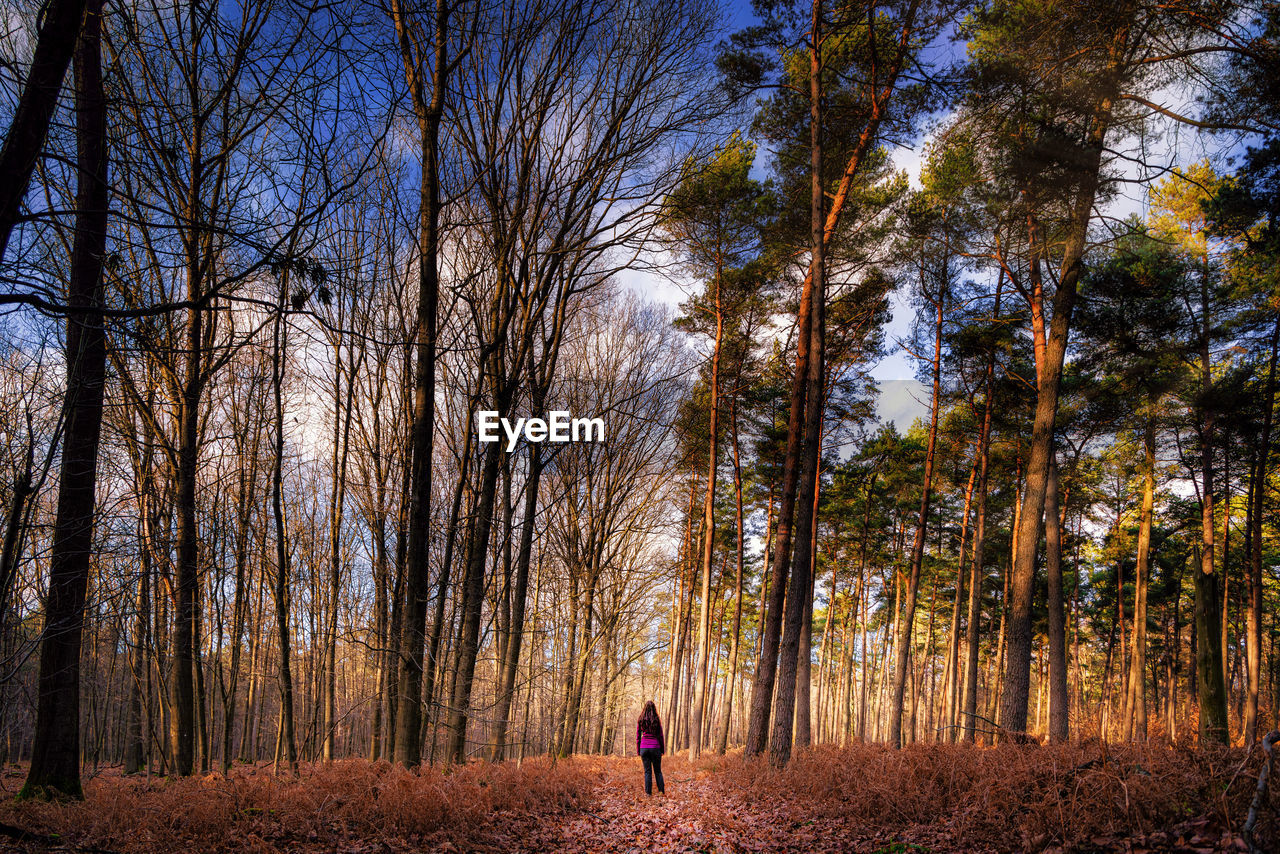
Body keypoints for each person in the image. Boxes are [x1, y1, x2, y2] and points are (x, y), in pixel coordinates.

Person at [635, 700, 666, 796]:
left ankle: (648, 794)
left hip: (644, 748)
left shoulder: (641, 720)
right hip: (655, 748)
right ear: (654, 709)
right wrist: (662, 749)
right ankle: (661, 792)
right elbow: (660, 736)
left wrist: (638, 750)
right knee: (658, 771)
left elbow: (637, 737)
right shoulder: (656, 720)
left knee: (647, 772)